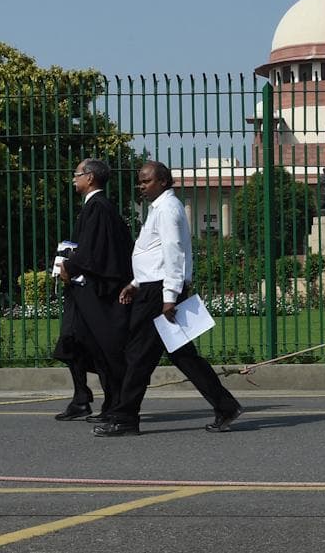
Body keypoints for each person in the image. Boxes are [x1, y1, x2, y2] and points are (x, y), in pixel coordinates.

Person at [93, 160, 243, 437]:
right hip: (153, 288)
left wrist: (169, 296)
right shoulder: (159, 208)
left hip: (159, 294)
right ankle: (226, 406)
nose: (141, 186)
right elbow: (153, 254)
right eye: (140, 181)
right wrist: (136, 283)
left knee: (138, 355)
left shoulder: (167, 209)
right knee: (183, 355)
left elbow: (174, 252)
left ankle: (125, 418)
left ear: (163, 181)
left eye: (146, 181)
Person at [52, 159, 134, 422]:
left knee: (101, 347)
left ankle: (113, 403)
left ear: (89, 177)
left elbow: (93, 251)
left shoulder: (99, 207)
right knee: (71, 341)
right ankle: (81, 397)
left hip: (96, 292)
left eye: (76, 174)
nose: (73, 178)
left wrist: (69, 266)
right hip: (81, 291)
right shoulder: (94, 207)